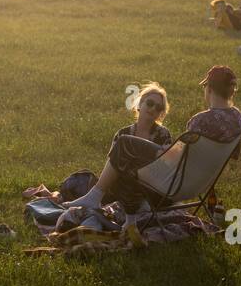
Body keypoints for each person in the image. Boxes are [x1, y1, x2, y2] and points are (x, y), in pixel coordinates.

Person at [65, 83, 175, 224]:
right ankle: (101, 202)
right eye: (150, 103)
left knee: (127, 171)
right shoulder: (123, 133)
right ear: (140, 104)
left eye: (158, 107)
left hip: (149, 185)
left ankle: (98, 199)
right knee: (94, 179)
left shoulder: (163, 134)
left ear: (160, 113)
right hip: (124, 183)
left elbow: (164, 168)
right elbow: (113, 165)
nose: (153, 108)